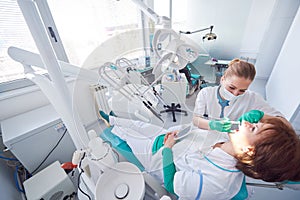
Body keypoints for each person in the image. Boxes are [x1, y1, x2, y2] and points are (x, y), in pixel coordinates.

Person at [99, 110, 300, 199]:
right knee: (142, 125)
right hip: (175, 137)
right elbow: (253, 116)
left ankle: (113, 127)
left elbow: (171, 184)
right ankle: (113, 119)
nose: (247, 123)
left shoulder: (217, 182)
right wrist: (268, 125)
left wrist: (168, 149)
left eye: (254, 128)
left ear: (249, 151)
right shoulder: (234, 139)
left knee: (134, 139)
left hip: (161, 157)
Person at [193, 58, 283, 132]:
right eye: (231, 88)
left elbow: (283, 123)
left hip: (231, 142)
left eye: (242, 90)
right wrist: (212, 124)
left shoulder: (253, 98)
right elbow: (196, 120)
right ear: (222, 79)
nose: (235, 94)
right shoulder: (206, 93)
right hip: (207, 137)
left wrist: (261, 115)